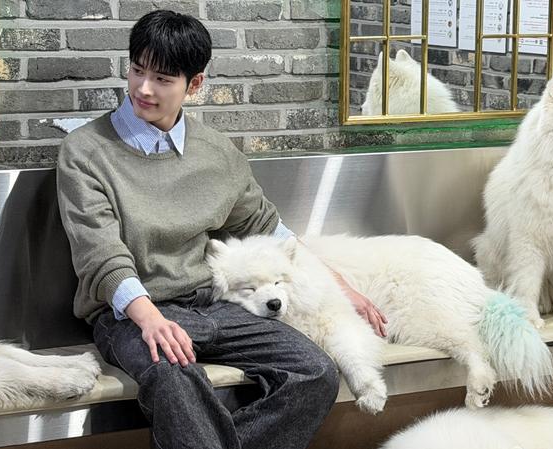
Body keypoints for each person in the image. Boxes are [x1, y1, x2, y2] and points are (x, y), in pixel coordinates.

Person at [56, 10, 386, 449]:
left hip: (214, 304)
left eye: (162, 79)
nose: (143, 88)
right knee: (174, 376)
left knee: (315, 370)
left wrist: (344, 288)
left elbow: (267, 226)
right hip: (130, 315)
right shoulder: (84, 151)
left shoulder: (217, 153)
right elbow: (100, 254)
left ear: (194, 84)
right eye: (137, 71)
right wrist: (151, 319)